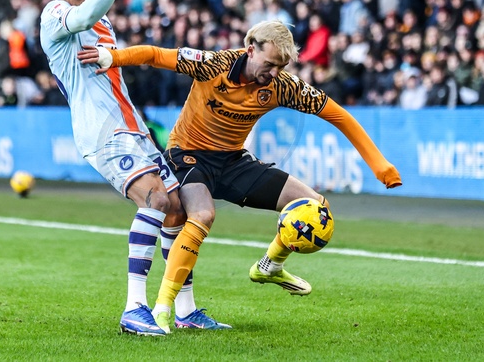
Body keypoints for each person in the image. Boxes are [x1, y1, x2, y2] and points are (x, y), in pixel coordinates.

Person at [78, 20, 402, 332]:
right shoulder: (213, 64)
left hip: (233, 161)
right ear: (250, 49)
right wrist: (112, 57)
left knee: (315, 206)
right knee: (202, 214)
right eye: (270, 63)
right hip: (188, 155)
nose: (273, 73)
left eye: (281, 66)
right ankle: (163, 310)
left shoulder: (282, 86)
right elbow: (154, 54)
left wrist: (379, 165)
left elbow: (338, 114)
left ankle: (270, 266)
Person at [38, 0, 223, 336]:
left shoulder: (102, 19)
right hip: (103, 132)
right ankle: (134, 308)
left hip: (133, 127)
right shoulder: (54, 15)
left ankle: (185, 309)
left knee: (178, 209)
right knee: (155, 198)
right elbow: (81, 17)